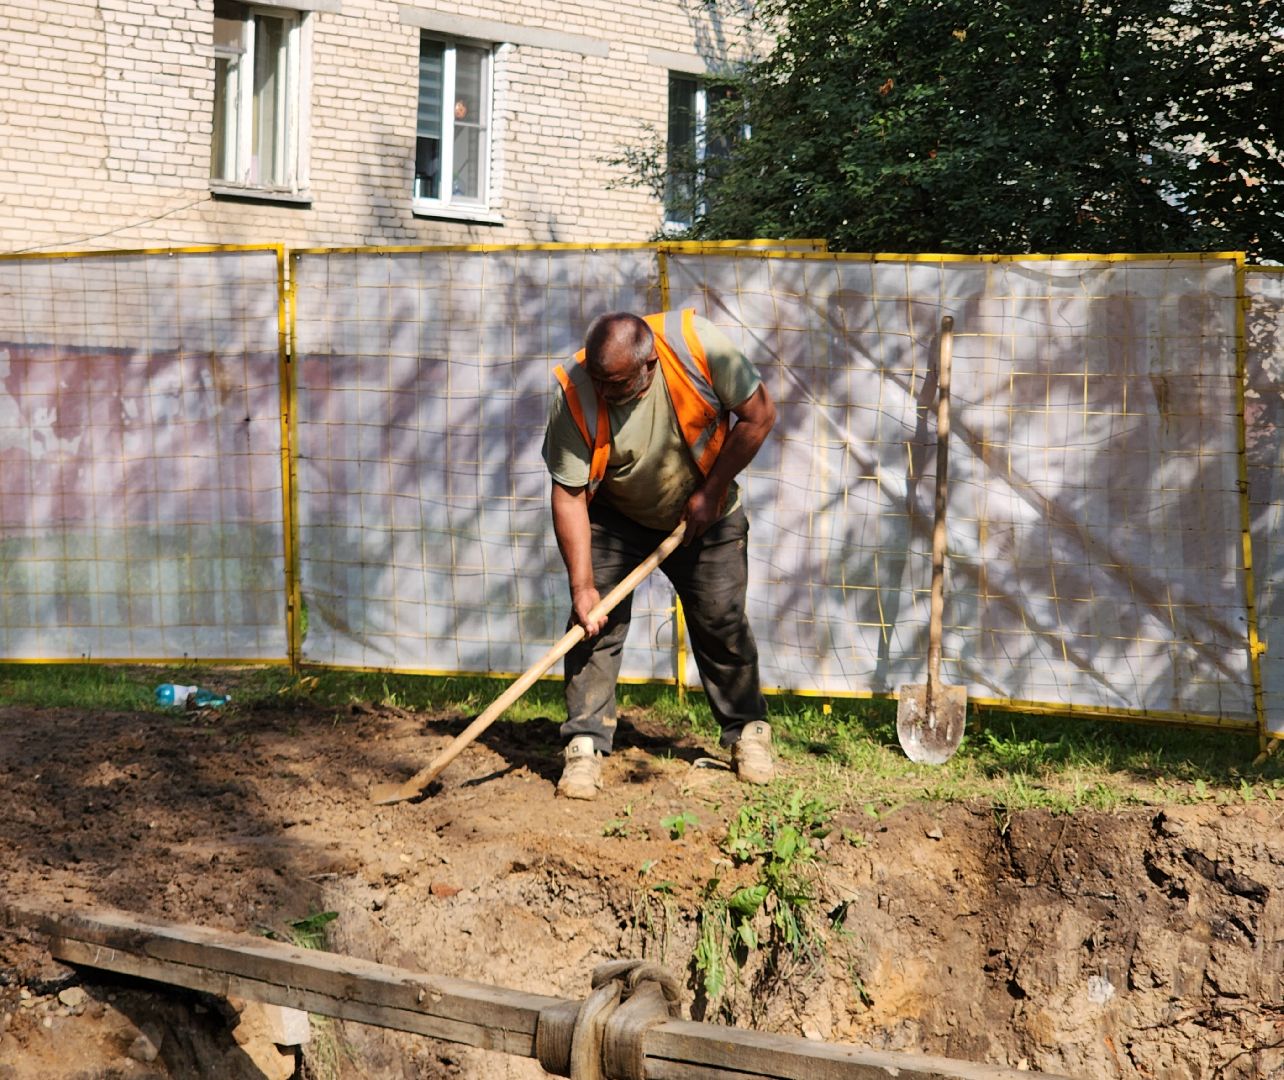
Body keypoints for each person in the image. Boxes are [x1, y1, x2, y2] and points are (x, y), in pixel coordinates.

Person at [542, 309, 777, 799]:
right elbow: (567, 493)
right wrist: (583, 587)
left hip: (706, 507)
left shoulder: (698, 347)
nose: (605, 393)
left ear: (649, 365)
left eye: (618, 383)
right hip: (617, 514)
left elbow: (759, 415)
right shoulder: (574, 389)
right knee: (592, 624)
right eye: (599, 380)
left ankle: (748, 731)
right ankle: (584, 744)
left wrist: (712, 492)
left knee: (721, 620)